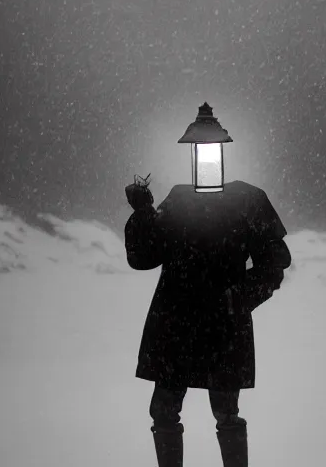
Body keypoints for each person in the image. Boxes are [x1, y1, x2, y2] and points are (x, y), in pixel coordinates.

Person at [124, 172, 291, 467]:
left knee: (222, 410)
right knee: (167, 410)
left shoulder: (245, 201)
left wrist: (239, 297)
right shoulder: (183, 201)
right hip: (181, 323)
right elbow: (144, 256)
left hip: (215, 325)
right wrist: (143, 213)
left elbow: (274, 262)